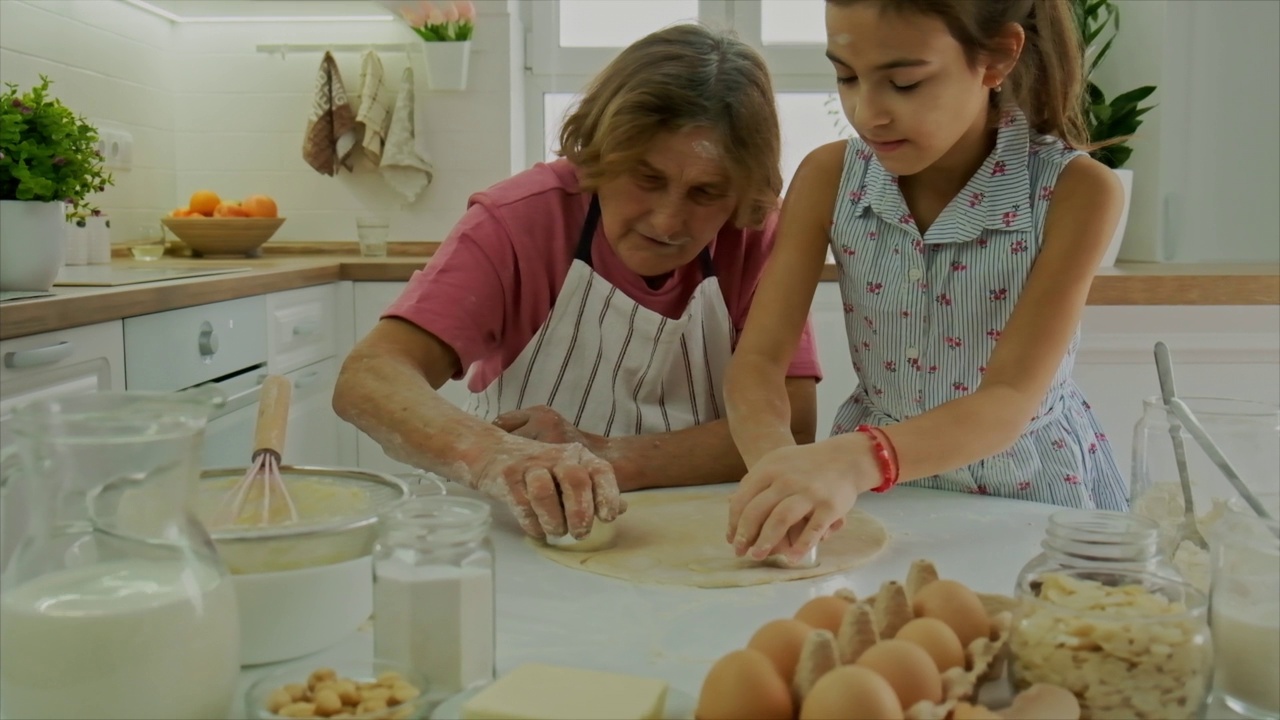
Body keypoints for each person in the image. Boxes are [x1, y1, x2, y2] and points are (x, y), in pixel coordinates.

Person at [334, 23, 823, 544]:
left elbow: (792, 426)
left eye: (706, 193)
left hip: (701, 531)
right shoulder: (520, 221)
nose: (666, 221)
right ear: (600, 155)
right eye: (647, 178)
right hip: (522, 534)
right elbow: (370, 377)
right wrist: (498, 455)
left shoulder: (754, 240)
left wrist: (605, 455)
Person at [723, 0, 1128, 565]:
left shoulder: (1076, 192)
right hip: (874, 495)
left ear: (997, 59)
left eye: (905, 83)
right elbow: (759, 363)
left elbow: (1007, 400)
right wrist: (779, 471)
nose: (867, 112)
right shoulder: (828, 177)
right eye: (845, 75)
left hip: (1031, 489)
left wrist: (855, 460)